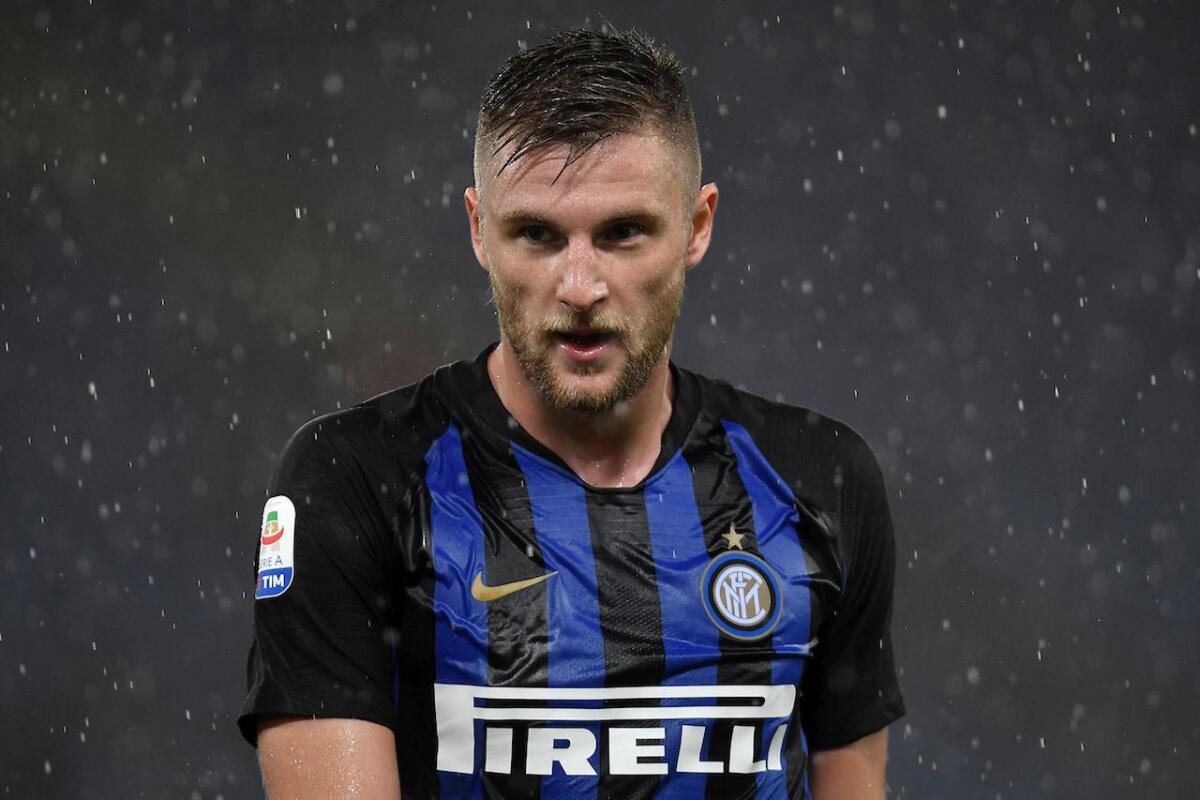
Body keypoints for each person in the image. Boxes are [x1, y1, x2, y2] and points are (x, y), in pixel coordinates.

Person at [239, 26, 905, 800]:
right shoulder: (355, 480)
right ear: (478, 229)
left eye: (623, 233)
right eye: (538, 235)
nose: (580, 286)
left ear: (697, 226)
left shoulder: (820, 480)